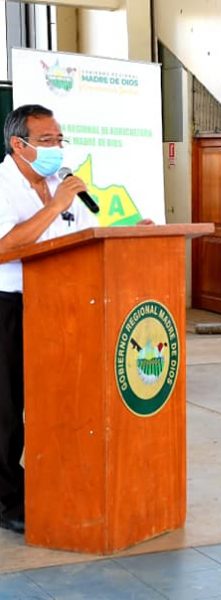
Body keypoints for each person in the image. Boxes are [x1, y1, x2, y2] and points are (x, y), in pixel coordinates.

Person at [0, 104, 98, 534]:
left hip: (60, 307)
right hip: (8, 307)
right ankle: (7, 503)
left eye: (59, 139)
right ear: (18, 144)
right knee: (6, 412)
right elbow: (4, 249)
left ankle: (51, 485)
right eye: (46, 141)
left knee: (54, 404)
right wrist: (55, 206)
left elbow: (88, 234)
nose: (56, 148)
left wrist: (132, 228)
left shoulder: (61, 183)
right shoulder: (3, 185)